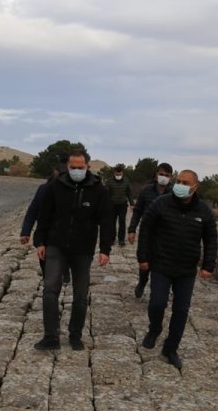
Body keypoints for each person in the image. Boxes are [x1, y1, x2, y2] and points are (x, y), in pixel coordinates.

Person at [33, 149, 112, 351]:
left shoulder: (99, 190)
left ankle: (75, 335)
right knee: (50, 290)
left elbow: (106, 220)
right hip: (56, 245)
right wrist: (40, 242)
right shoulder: (55, 187)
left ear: (88, 167)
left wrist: (105, 249)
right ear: (68, 167)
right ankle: (51, 336)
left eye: (81, 167)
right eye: (73, 167)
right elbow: (44, 215)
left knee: (80, 295)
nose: (77, 170)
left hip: (83, 249)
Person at [136, 170, 217, 369]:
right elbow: (145, 229)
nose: (180, 185)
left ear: (195, 186)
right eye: (178, 181)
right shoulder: (161, 203)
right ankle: (154, 328)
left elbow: (211, 239)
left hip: (186, 269)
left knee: (181, 310)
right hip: (161, 264)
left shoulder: (204, 211)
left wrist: (208, 265)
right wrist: (143, 257)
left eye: (185, 182)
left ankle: (171, 348)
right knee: (157, 303)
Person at [20, 156, 70, 284]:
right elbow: (32, 210)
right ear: (56, 173)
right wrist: (25, 232)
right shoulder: (44, 189)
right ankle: (49, 284)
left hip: (66, 236)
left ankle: (64, 273)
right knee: (46, 265)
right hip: (46, 235)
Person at [127, 162, 173, 298]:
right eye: (161, 174)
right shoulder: (146, 190)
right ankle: (142, 282)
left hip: (166, 236)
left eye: (166, 175)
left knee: (160, 265)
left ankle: (156, 292)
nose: (163, 177)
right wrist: (132, 229)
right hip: (147, 233)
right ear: (156, 175)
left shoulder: (173, 193)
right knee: (144, 262)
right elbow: (137, 211)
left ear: (171, 177)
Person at [107, 164, 134, 246]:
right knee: (111, 223)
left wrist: (132, 203)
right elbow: (106, 193)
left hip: (122, 205)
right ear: (114, 173)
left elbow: (129, 193)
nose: (118, 176)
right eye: (117, 174)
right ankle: (112, 239)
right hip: (112, 205)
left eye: (120, 174)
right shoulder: (109, 181)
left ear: (122, 173)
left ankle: (121, 240)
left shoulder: (126, 181)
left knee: (122, 222)